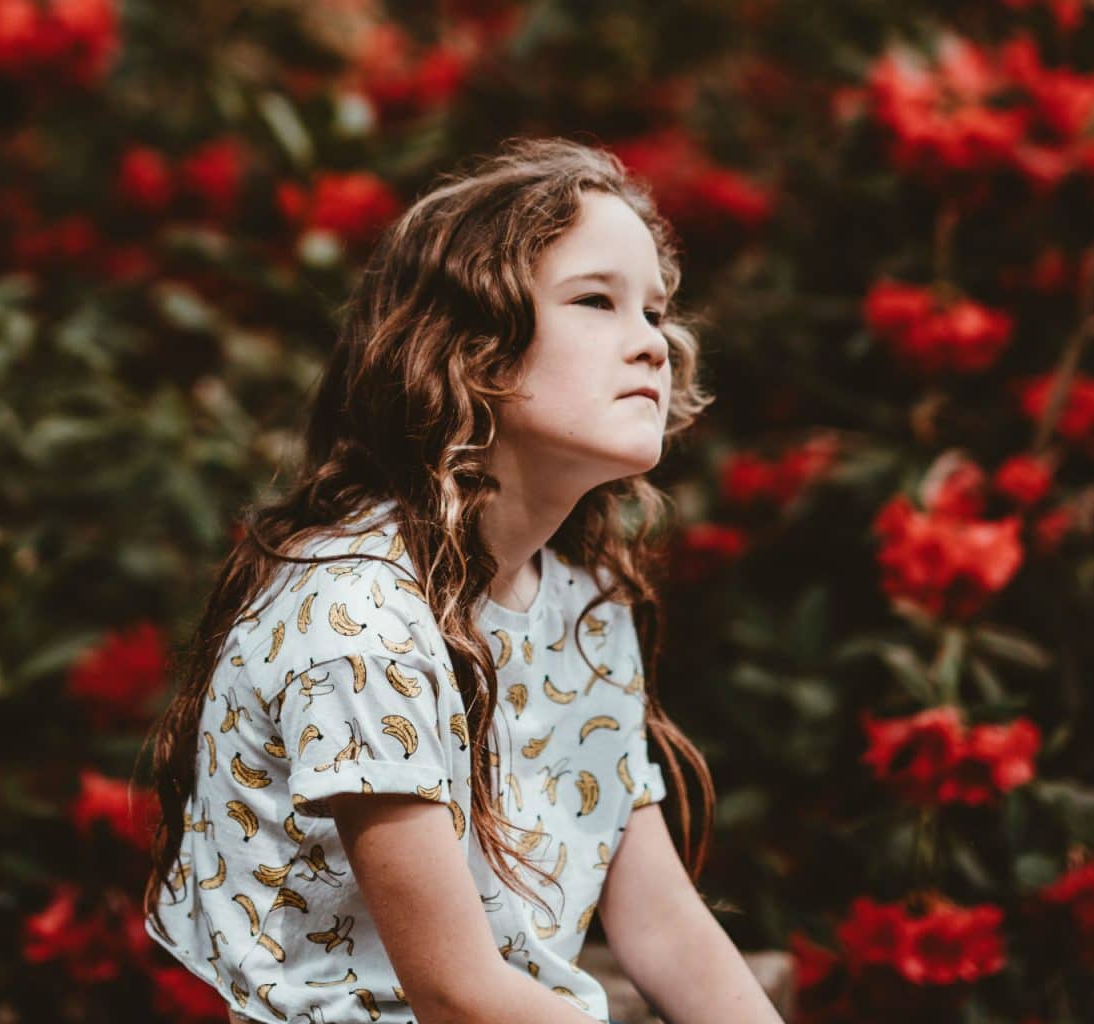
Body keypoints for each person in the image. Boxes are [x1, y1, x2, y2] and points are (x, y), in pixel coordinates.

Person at [141, 136, 786, 1024]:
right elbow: (456, 994)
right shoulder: (357, 614)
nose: (651, 344)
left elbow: (664, 925)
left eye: (655, 311)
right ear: (469, 350)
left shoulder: (580, 606)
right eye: (598, 301)